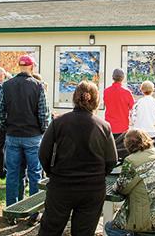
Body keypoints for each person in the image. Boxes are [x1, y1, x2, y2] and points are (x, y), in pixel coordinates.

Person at [39, 81, 117, 236]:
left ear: (74, 98)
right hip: (92, 187)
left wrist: (51, 173)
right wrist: (100, 175)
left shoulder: (58, 123)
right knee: (84, 232)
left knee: (50, 229)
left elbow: (43, 153)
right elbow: (111, 160)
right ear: (96, 100)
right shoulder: (103, 126)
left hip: (62, 184)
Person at [0, 55, 50, 224]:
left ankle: (12, 211)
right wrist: (42, 131)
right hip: (32, 136)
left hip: (13, 135)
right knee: (34, 174)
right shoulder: (38, 86)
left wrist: (8, 127)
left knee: (13, 174)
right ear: (32, 67)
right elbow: (43, 115)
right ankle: (33, 213)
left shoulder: (6, 85)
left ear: (19, 67)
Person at [105, 129, 155, 235]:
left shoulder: (132, 161)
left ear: (127, 144)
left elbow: (121, 188)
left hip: (148, 223)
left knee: (110, 227)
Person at [131, 81, 155, 148]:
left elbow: (133, 117)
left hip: (140, 134)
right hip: (154, 133)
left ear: (142, 90)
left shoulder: (138, 103)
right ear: (153, 90)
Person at [103, 68, 135, 139]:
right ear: (123, 78)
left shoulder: (106, 91)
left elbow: (106, 103)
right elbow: (133, 107)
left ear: (112, 77)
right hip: (123, 126)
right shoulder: (127, 92)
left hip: (109, 125)